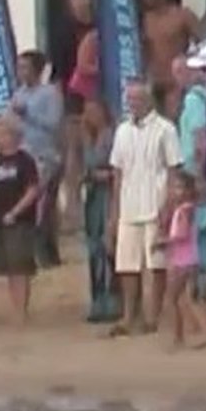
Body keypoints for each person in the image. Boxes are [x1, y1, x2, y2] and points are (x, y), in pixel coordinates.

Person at [107, 80, 183, 337]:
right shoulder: (122, 131)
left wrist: (169, 205)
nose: (133, 104)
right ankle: (129, 316)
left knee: (156, 264)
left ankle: (154, 315)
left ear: (149, 100)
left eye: (137, 99)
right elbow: (117, 173)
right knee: (126, 264)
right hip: (129, 206)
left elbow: (174, 169)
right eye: (130, 99)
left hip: (155, 203)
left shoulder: (165, 129)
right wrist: (114, 211)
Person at [0, 113, 40, 325]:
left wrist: (15, 212)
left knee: (20, 266)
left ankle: (22, 311)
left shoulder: (25, 160)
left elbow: (33, 189)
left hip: (20, 220)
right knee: (8, 268)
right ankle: (15, 307)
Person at [10, 50, 64, 268]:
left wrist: (28, 115)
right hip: (23, 155)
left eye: (25, 67)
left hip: (45, 156)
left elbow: (54, 124)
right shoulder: (18, 94)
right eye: (19, 67)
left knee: (42, 207)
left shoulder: (50, 93)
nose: (21, 72)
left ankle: (45, 252)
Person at [173, 55, 206, 316]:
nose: (176, 78)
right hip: (194, 173)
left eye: (179, 72)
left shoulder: (193, 100)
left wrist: (198, 177)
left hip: (193, 175)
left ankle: (199, 296)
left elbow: (200, 140)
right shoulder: (202, 98)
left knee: (197, 235)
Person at [153, 171, 206, 350]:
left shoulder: (185, 211)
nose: (174, 192)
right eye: (173, 188)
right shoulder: (182, 210)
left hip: (184, 260)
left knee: (173, 298)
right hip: (183, 259)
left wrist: (162, 242)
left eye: (178, 188)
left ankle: (184, 336)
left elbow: (182, 234)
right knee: (183, 298)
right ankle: (196, 332)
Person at [81, 99, 120, 323]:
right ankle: (97, 298)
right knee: (93, 248)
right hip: (92, 194)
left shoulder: (112, 137)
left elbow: (119, 168)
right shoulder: (87, 138)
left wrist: (105, 175)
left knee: (109, 247)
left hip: (108, 193)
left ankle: (113, 299)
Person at [141, 0, 199, 118]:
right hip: (154, 77)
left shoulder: (182, 15)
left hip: (175, 78)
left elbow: (203, 41)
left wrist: (189, 65)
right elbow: (144, 47)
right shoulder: (145, 19)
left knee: (172, 118)